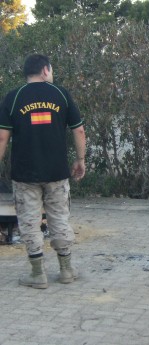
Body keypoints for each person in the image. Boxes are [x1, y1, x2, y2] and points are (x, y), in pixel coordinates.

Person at [0, 54, 86, 289]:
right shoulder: (60, 94)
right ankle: (66, 270)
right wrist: (80, 160)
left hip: (25, 174)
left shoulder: (13, 97)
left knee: (29, 221)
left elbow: (2, 138)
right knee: (59, 218)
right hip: (57, 172)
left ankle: (38, 274)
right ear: (45, 70)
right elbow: (78, 131)